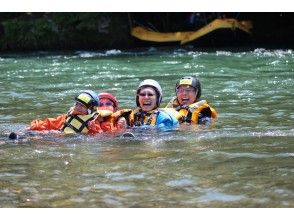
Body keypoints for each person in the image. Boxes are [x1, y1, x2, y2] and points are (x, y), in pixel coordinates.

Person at [29, 91, 128, 134]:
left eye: (108, 103)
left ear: (115, 108)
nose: (104, 107)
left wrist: (123, 129)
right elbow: (50, 123)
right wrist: (34, 126)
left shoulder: (117, 123)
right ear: (95, 109)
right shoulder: (71, 115)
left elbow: (104, 139)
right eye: (101, 104)